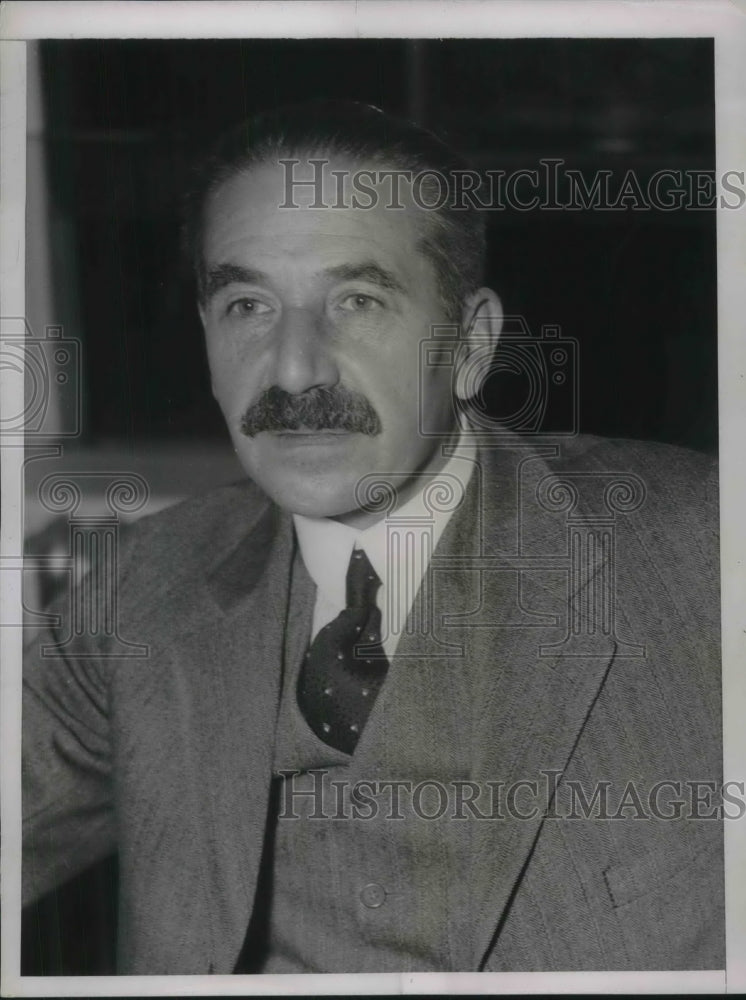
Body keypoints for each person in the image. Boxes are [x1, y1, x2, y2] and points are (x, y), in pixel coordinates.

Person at [22, 100, 723, 974]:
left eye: (357, 301)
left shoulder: (704, 554)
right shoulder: (141, 590)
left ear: (470, 344)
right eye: (248, 305)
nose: (294, 368)